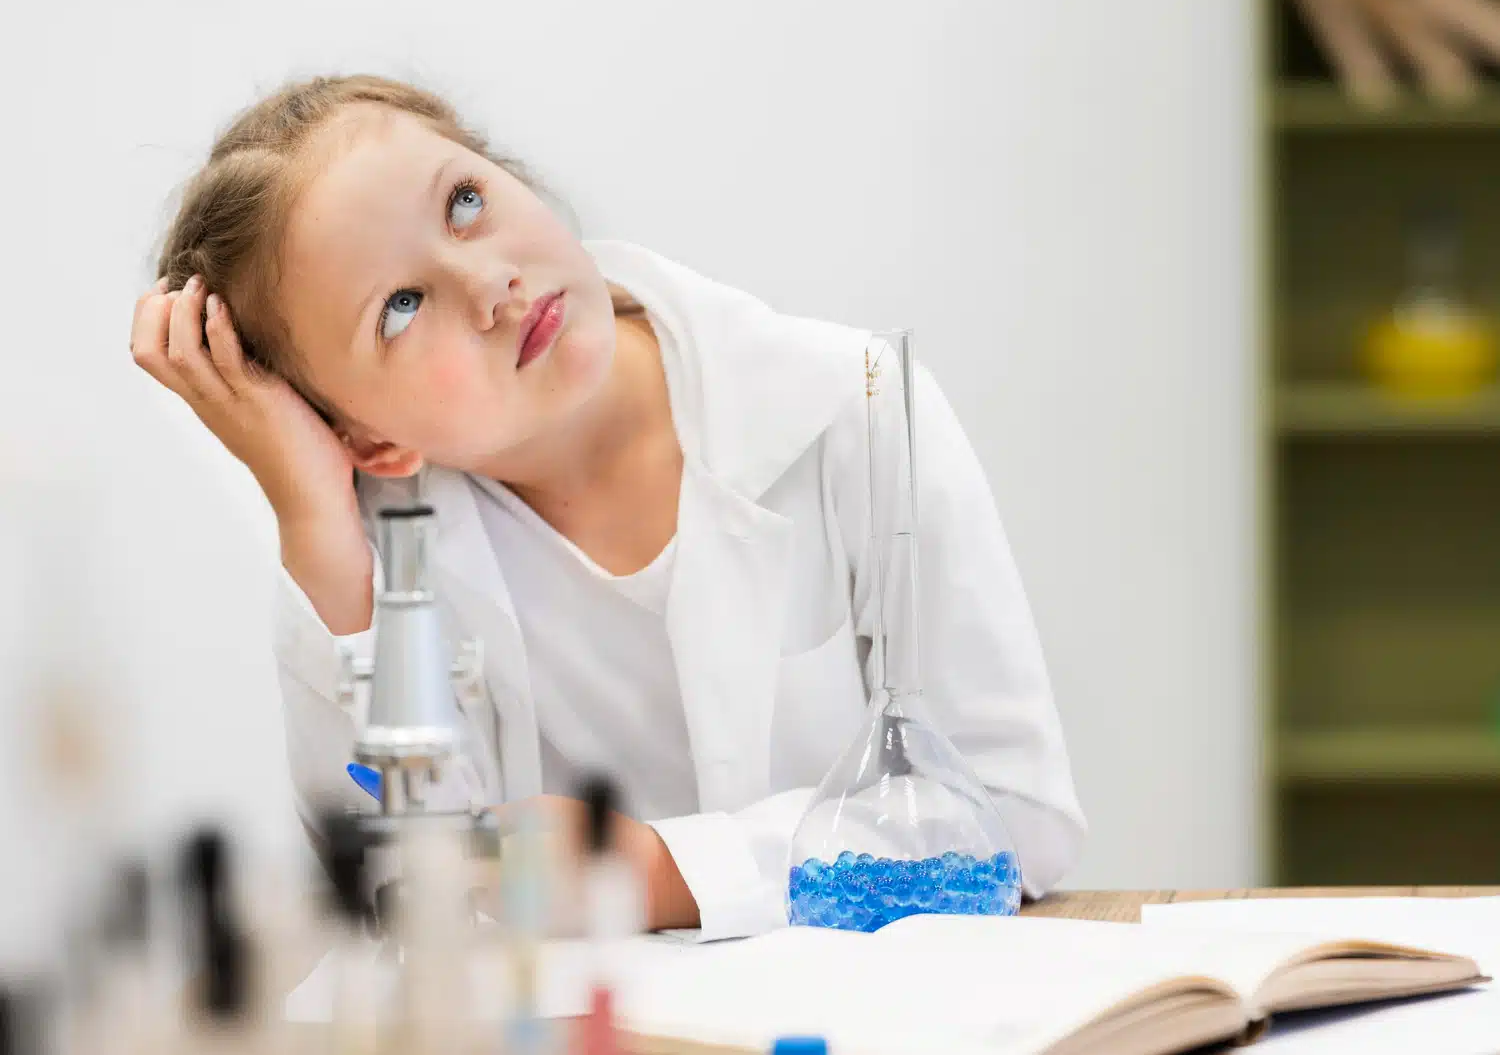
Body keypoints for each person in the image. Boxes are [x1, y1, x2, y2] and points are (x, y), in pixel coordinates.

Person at [129, 75, 1085, 940]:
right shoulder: (381, 544)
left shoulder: (855, 405)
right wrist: (311, 515)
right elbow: (401, 901)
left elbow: (1018, 817)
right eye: (402, 307)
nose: (489, 285)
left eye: (466, 202)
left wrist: (671, 873)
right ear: (374, 441)